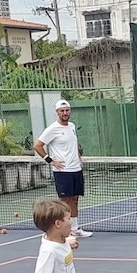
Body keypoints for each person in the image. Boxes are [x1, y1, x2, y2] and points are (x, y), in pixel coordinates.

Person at [34, 99, 92, 237]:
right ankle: (63, 231)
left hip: (75, 169)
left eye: (67, 110)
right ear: (57, 112)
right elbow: (37, 145)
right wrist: (50, 160)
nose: (65, 113)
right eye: (62, 111)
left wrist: (78, 157)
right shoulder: (52, 129)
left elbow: (74, 143)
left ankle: (75, 229)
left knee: (75, 199)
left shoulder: (71, 126)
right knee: (64, 202)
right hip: (62, 172)